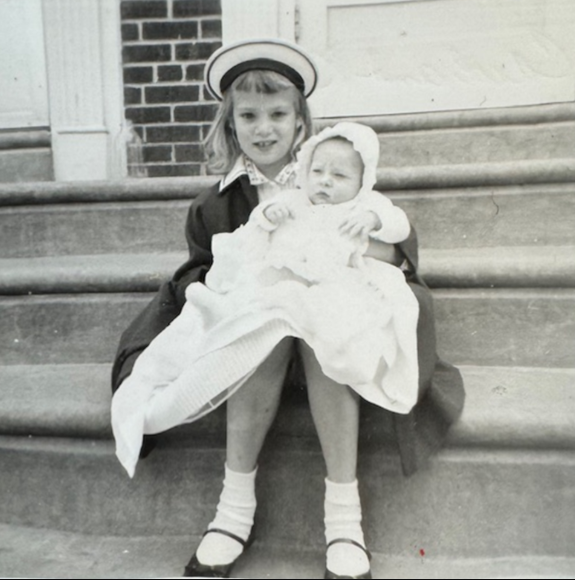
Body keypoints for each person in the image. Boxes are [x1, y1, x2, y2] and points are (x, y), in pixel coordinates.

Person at [111, 39, 465, 580]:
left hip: (334, 341)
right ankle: (233, 510)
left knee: (318, 322)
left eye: (278, 115)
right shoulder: (216, 203)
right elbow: (208, 271)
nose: (264, 129)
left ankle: (344, 520)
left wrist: (342, 242)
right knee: (266, 323)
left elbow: (395, 250)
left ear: (301, 121)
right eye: (248, 116)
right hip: (260, 348)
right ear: (230, 125)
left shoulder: (333, 174)